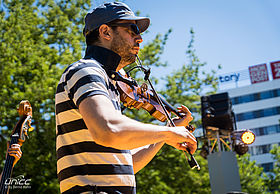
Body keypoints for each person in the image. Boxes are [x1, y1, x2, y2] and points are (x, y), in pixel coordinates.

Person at [55, 2, 197, 194]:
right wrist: (168, 134)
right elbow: (108, 129)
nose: (140, 39)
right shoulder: (85, 71)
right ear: (105, 32)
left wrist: (166, 132)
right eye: (132, 30)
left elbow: (124, 167)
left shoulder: (110, 81)